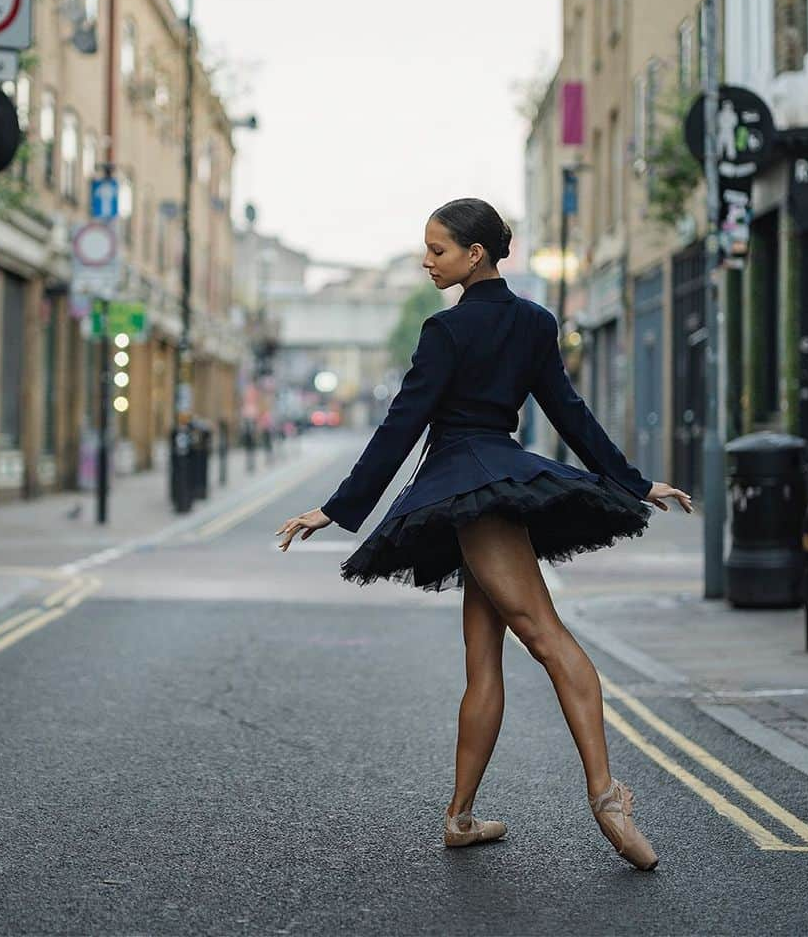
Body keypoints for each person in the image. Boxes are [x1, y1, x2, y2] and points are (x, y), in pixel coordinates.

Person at [275, 198, 692, 870]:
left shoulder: (446, 333)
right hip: (495, 479)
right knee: (484, 658)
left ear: (475, 255)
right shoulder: (534, 322)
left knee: (546, 638)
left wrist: (337, 508)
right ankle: (461, 818)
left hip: (467, 487)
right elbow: (571, 414)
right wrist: (632, 480)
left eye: (437, 250)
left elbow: (401, 425)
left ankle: (607, 798)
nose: (426, 260)